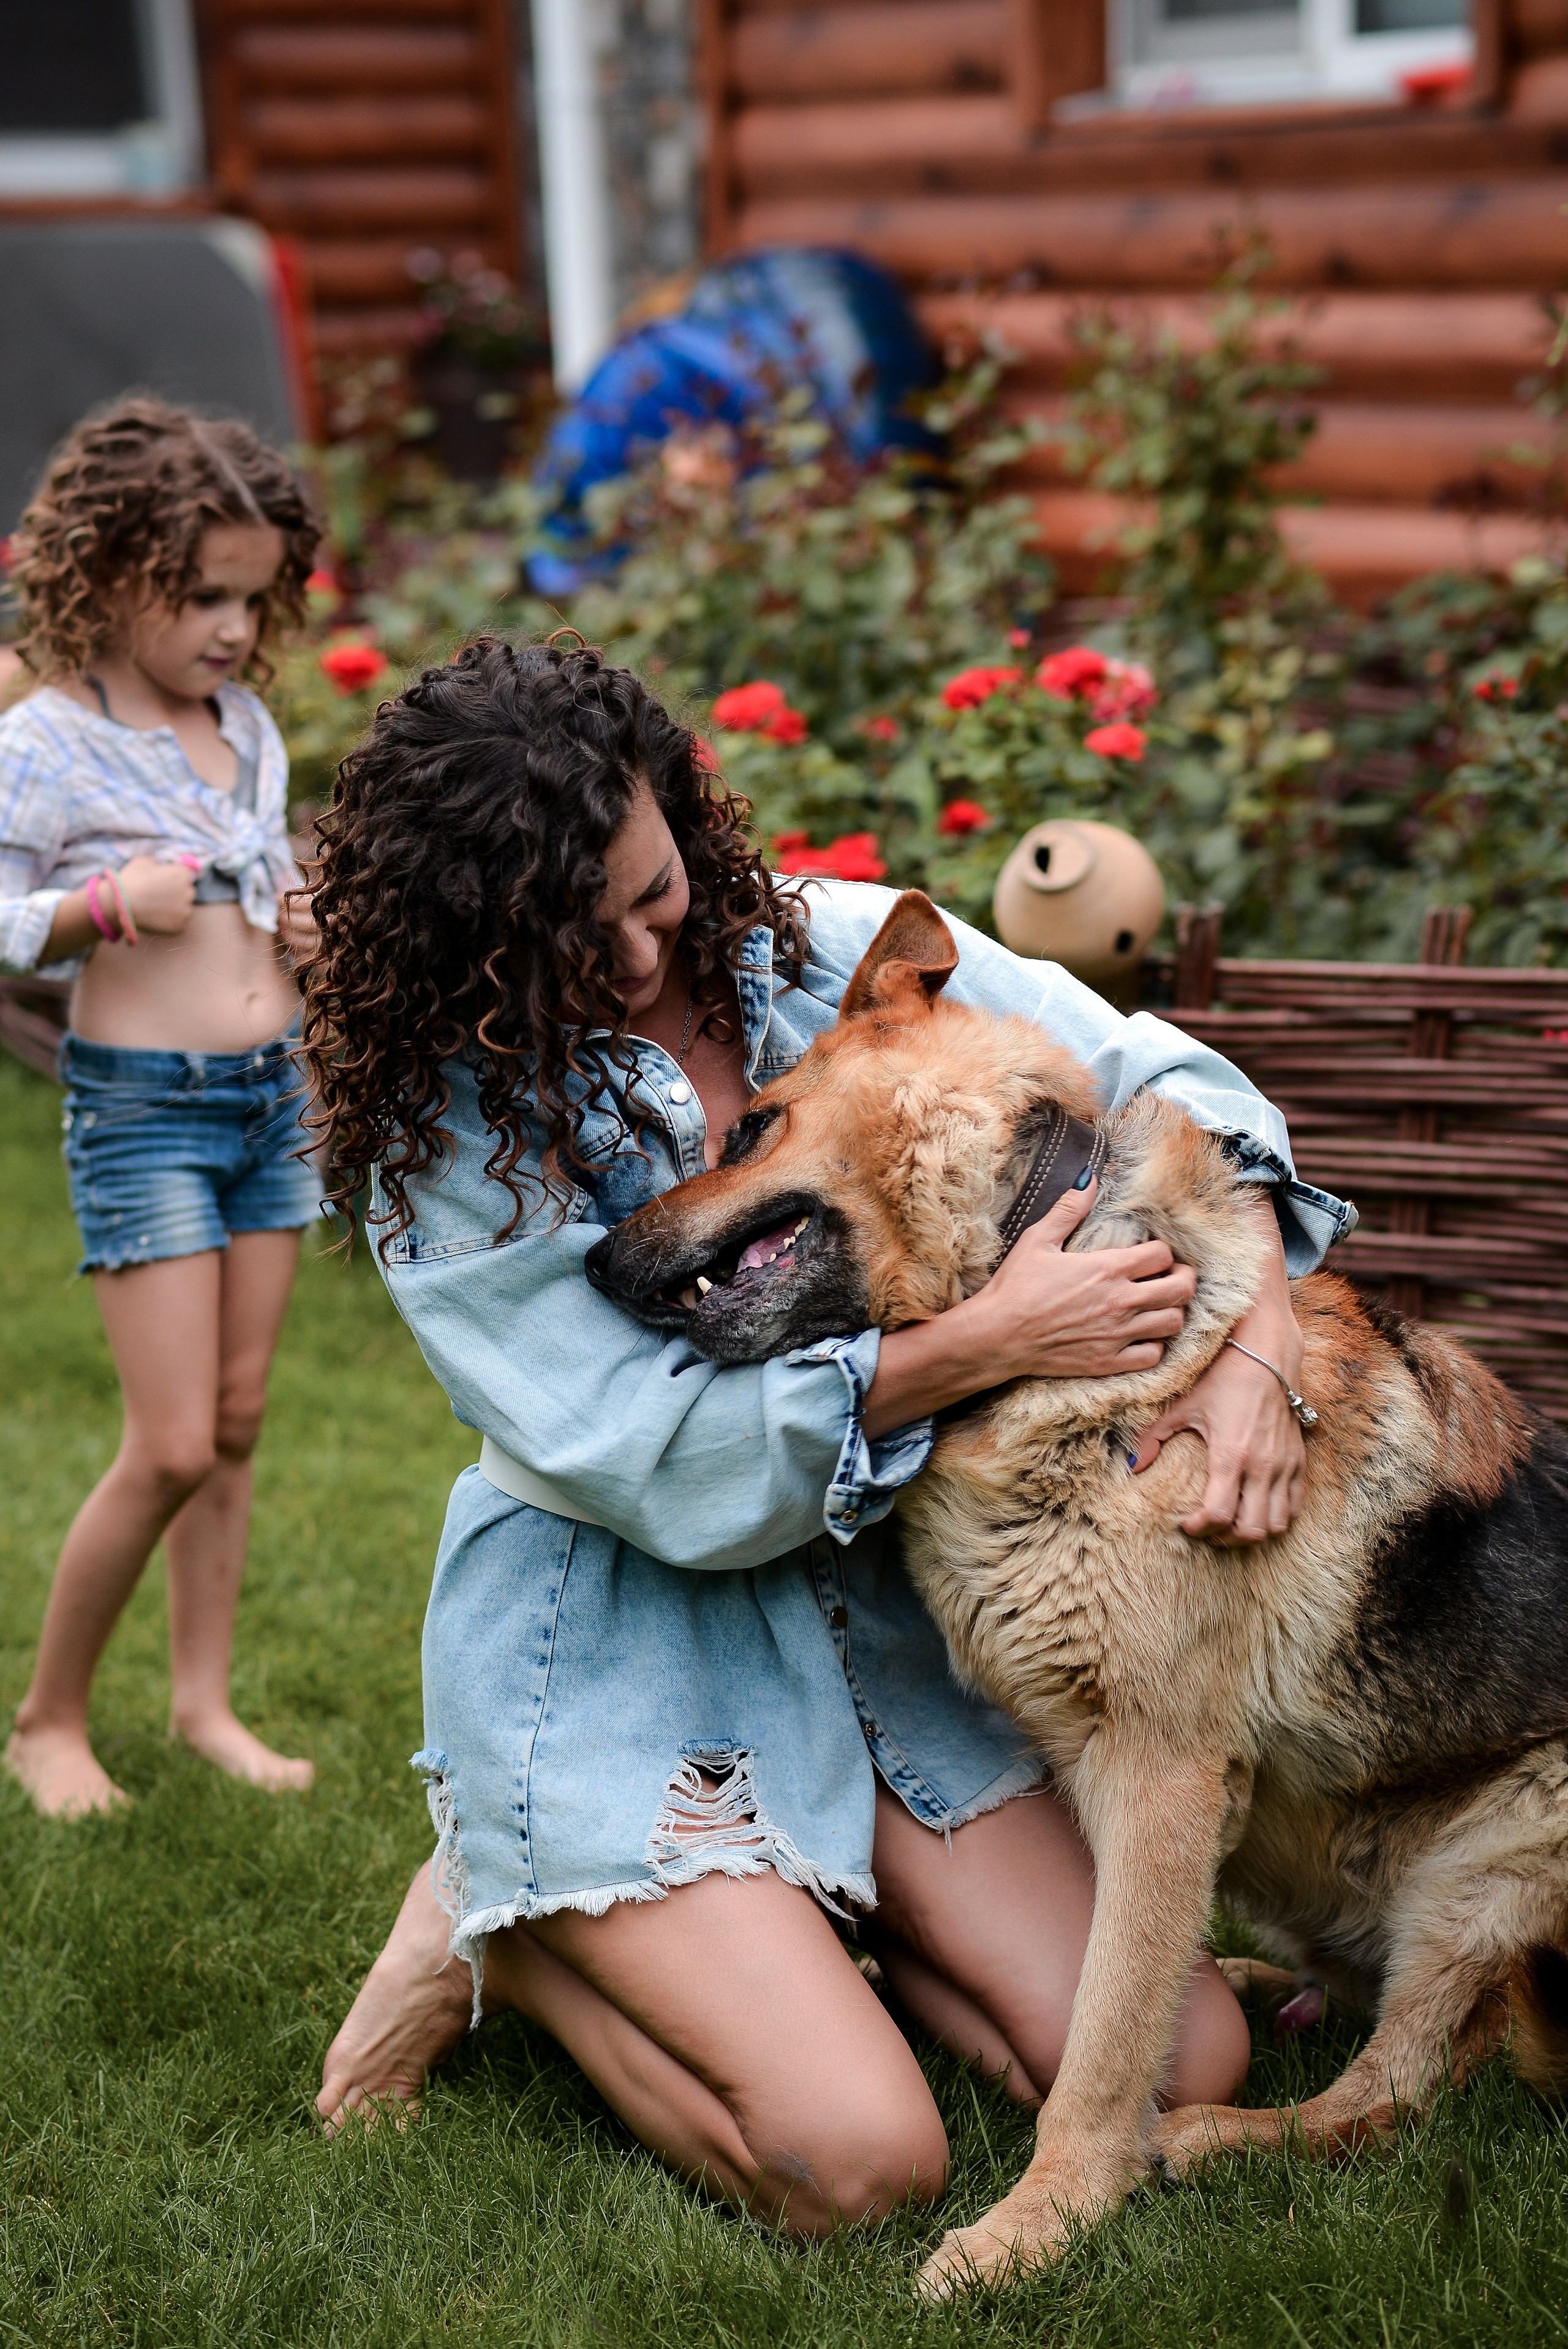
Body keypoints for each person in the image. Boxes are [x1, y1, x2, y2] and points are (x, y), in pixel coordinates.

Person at [303, 639, 1353, 2234]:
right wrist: (978, 1345)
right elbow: (636, 1451)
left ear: (679, 809)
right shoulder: (453, 1133)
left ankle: (813, 1915)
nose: (650, 958)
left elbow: (1164, 1074)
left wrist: (1262, 1330)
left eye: (656, 892)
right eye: (577, 947)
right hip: (640, 1619)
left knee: (1187, 2055)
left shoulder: (827, 946)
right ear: (476, 952)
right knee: (858, 2169)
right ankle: (506, 1931)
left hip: (892, 1610)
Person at [1, 398, 324, 1819]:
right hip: (147, 1112)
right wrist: (95, 906)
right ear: (102, 568)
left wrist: (304, 925)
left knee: (240, 1419)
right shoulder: (49, 744)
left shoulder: (241, 726)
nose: (232, 631)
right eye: (200, 597)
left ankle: (203, 1702)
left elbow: (263, 890)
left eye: (252, 600)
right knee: (173, 1438)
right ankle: (47, 1718)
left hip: (273, 1101)